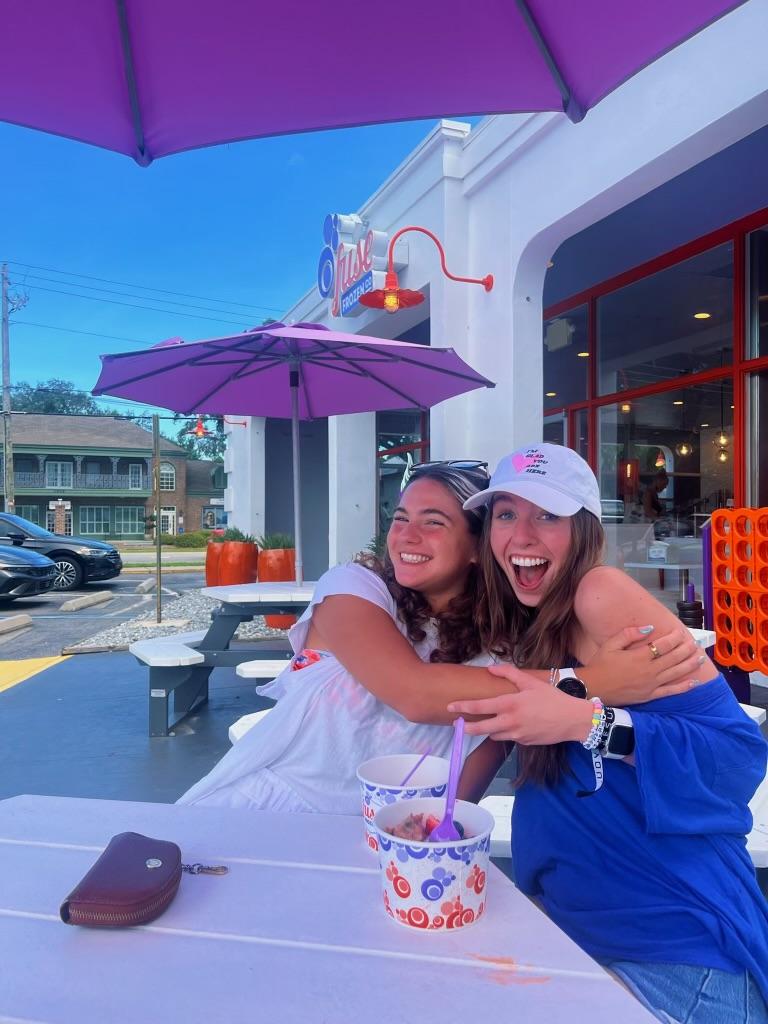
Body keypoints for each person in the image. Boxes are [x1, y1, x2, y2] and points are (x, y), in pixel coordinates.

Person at [447, 443, 768, 1024]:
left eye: (548, 515)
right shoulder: (531, 621)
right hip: (581, 933)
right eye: (505, 514)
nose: (522, 535)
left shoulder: (598, 594)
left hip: (674, 953)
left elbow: (737, 759)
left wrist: (584, 722)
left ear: (586, 530)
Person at [178, 463, 700, 812]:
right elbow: (415, 693)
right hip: (260, 812)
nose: (406, 535)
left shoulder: (508, 651)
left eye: (433, 522)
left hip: (383, 841)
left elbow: (458, 795)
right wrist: (595, 681)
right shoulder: (352, 590)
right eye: (400, 518)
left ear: (478, 547)